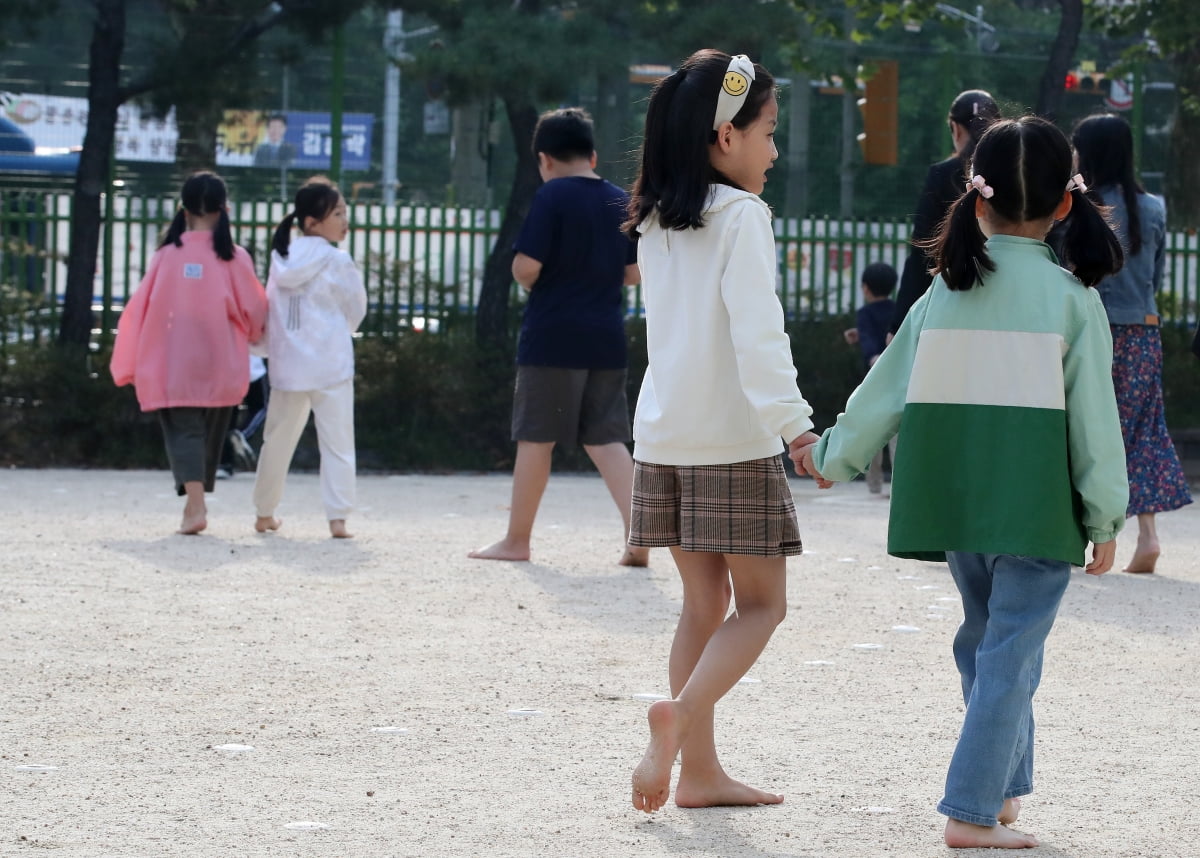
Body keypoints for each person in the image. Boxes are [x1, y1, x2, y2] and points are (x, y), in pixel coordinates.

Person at [794, 116, 1127, 849]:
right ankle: (971, 811)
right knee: (1008, 652)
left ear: (976, 201)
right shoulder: (1075, 301)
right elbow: (1096, 425)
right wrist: (1105, 515)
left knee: (987, 644)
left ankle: (1002, 792)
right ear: (1065, 205)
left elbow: (882, 391)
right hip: (1039, 509)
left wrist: (833, 454)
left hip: (958, 502)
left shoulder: (941, 294)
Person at [623, 49, 823, 815]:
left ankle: (699, 774)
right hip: (733, 440)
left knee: (701, 606)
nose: (774, 149)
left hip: (665, 437)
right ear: (725, 136)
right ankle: (678, 721)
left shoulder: (653, 220)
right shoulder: (743, 216)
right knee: (763, 606)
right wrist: (798, 430)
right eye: (769, 131)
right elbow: (758, 335)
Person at [468, 107, 647, 566]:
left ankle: (517, 540)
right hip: (606, 337)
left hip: (552, 337)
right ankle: (638, 534)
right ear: (593, 154)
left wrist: (534, 279)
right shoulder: (616, 199)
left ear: (543, 160)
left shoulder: (550, 198)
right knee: (607, 439)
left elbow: (527, 266)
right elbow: (633, 273)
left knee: (537, 438)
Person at [110, 171, 268, 535]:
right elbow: (255, 310)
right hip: (222, 358)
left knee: (183, 431)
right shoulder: (235, 257)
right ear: (224, 209)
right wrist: (256, 336)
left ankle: (195, 505)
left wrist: (128, 361)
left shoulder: (166, 255)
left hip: (174, 358)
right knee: (211, 432)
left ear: (182, 209)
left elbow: (141, 309)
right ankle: (194, 502)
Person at [1071, 113, 1192, 573]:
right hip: (1144, 329)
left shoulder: (1082, 203)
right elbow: (1155, 278)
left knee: (1085, 425)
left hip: (1095, 326)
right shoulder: (1154, 208)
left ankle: (1085, 534)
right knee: (1143, 428)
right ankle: (1148, 536)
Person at [252, 177, 366, 539]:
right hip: (331, 365)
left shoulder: (281, 259)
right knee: (337, 443)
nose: (345, 219)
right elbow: (356, 310)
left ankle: (264, 512)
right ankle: (338, 519)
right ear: (312, 222)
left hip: (289, 367)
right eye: (337, 213)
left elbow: (270, 314)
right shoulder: (337, 260)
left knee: (277, 441)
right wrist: (337, 333)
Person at [889, 90, 1000, 337]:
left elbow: (923, 249)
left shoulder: (943, 175)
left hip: (950, 295)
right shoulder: (1012, 173)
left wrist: (899, 323)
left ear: (956, 129)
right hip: (1007, 294)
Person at [842, 262, 897, 493]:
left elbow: (870, 345)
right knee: (896, 433)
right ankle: (898, 484)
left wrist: (874, 358)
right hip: (898, 378)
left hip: (874, 382)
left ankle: (874, 485)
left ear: (865, 288)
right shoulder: (897, 309)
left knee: (873, 432)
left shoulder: (865, 314)